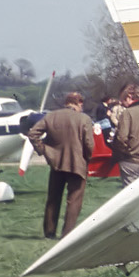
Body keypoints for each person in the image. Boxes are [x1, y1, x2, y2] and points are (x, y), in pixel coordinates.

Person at [28, 91, 94, 238]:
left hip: (56, 163)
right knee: (74, 200)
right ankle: (67, 234)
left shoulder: (51, 116)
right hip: (77, 164)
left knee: (53, 198)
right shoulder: (84, 119)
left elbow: (33, 134)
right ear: (80, 103)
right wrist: (87, 158)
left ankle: (49, 232)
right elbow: (89, 144)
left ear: (66, 102)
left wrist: (44, 150)